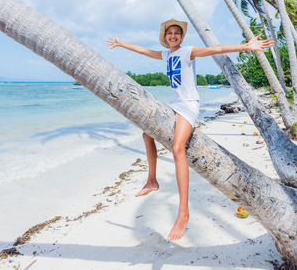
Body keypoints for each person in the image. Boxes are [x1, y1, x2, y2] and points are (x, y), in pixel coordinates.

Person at [108, 19, 274, 242]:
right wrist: (121, 43)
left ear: (181, 37)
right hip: (175, 103)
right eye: (170, 33)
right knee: (147, 134)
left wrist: (246, 46)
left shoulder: (188, 51)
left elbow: (216, 49)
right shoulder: (166, 55)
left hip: (189, 104)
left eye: (177, 33)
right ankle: (151, 181)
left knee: (178, 149)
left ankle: (183, 213)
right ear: (165, 37)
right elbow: (145, 51)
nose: (173, 36)